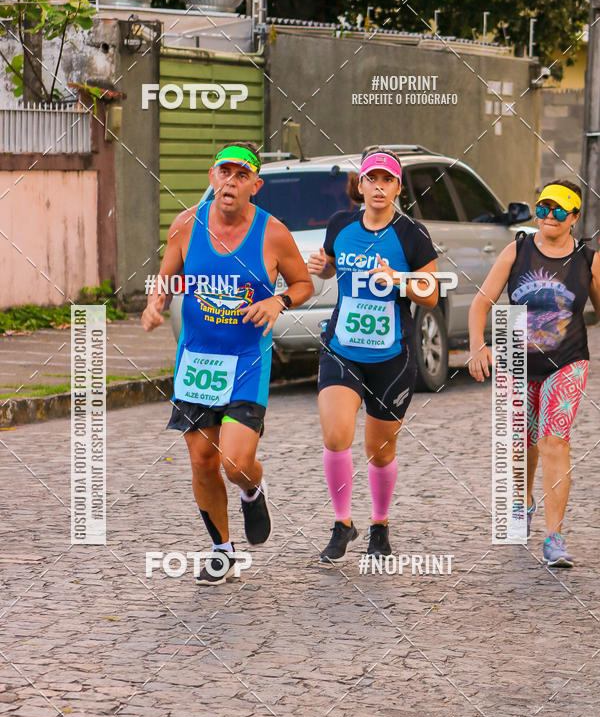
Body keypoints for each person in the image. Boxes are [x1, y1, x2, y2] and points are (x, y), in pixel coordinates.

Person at [142, 141, 313, 585]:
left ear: (255, 185)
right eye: (224, 172)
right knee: (202, 459)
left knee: (234, 463)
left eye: (241, 175)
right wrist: (155, 301)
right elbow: (166, 275)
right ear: (212, 177)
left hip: (245, 361)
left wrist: (279, 301)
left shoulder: (273, 233)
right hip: (196, 360)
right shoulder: (185, 226)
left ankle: (253, 489)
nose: (230, 181)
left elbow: (303, 283)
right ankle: (222, 550)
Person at [308, 146, 439, 564]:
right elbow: (333, 265)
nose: (378, 187)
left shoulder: (411, 234)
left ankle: (379, 524)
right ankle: (343, 523)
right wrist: (322, 267)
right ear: (360, 185)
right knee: (335, 434)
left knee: (379, 451)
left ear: (398, 187)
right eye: (372, 179)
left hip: (391, 354)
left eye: (387, 180)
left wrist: (398, 278)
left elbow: (431, 295)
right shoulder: (340, 224)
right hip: (342, 346)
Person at [468, 179, 600, 567]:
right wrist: (479, 346)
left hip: (568, 359)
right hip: (516, 357)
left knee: (553, 441)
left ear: (574, 217)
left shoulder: (589, 260)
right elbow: (481, 302)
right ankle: (522, 502)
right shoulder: (518, 249)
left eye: (559, 210)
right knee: (520, 443)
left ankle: (554, 536)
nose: (548, 216)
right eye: (543, 208)